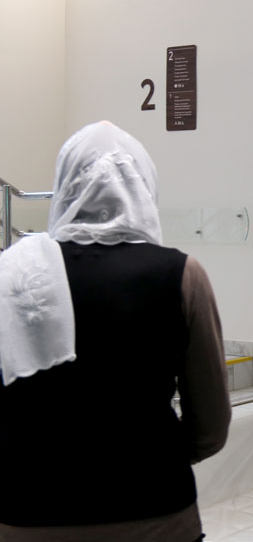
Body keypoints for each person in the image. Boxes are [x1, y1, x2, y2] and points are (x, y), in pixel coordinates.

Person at [0, 121, 231, 542]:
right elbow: (211, 426)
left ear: (65, 186)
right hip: (157, 513)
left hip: (28, 514)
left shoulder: (11, 274)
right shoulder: (182, 274)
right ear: (144, 186)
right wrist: (151, 458)